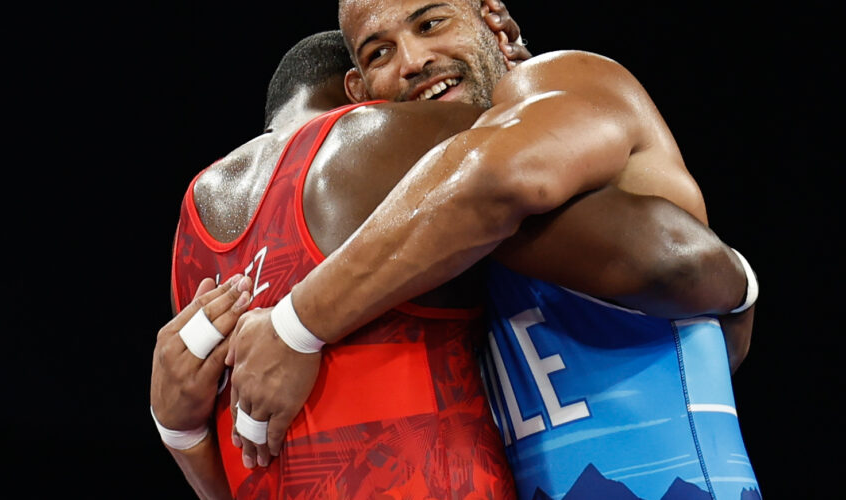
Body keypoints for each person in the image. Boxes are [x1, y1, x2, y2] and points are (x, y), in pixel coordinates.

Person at [154, 25, 751, 500]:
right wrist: (182, 433)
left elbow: (683, 265)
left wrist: (295, 322)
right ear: (361, 91)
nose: (413, 60)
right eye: (381, 51)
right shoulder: (423, 232)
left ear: (497, 21)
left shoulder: (563, 81)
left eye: (431, 22)